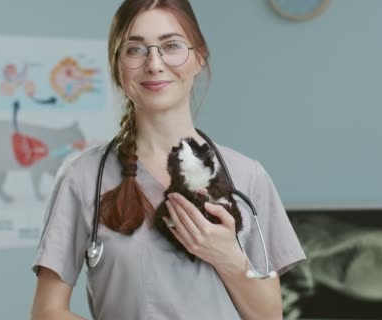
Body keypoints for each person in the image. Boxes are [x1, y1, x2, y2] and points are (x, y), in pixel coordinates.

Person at [30, 1, 306, 319]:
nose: (154, 64)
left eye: (171, 45)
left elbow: (270, 316)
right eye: (135, 50)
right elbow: (47, 312)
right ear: (117, 66)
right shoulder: (83, 177)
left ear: (199, 56)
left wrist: (227, 256)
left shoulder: (248, 176)